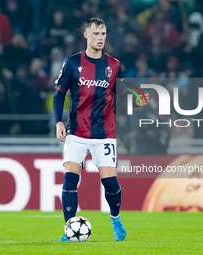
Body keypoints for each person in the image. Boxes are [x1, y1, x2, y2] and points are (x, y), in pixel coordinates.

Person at [53, 17, 147, 242]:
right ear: (86, 35)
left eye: (103, 34)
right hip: (76, 132)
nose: (100, 38)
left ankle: (115, 219)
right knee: (69, 180)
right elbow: (59, 94)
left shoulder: (113, 65)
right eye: (96, 33)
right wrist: (58, 121)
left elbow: (123, 94)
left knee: (110, 183)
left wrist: (138, 101)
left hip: (104, 133)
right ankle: (69, 229)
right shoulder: (72, 63)